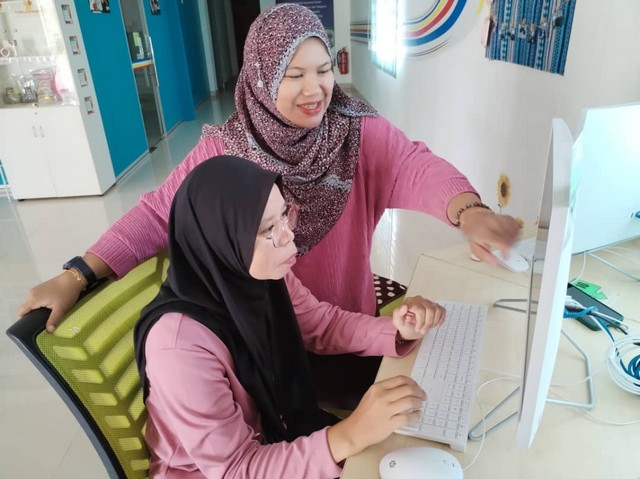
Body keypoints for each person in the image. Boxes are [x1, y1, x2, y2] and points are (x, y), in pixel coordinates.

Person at [18, 4, 519, 405]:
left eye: (324, 70)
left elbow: (413, 165)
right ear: (261, 77)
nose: (315, 89)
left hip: (347, 329)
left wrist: (470, 213)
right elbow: (155, 214)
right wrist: (77, 274)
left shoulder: (354, 131)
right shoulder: (226, 152)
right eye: (293, 74)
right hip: (266, 349)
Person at [135, 155, 442, 478]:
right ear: (222, 240)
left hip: (279, 435)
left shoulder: (259, 277)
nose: (288, 237)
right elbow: (236, 470)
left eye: (284, 215)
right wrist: (351, 434)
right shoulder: (179, 348)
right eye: (269, 229)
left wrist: (397, 329)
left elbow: (323, 324)